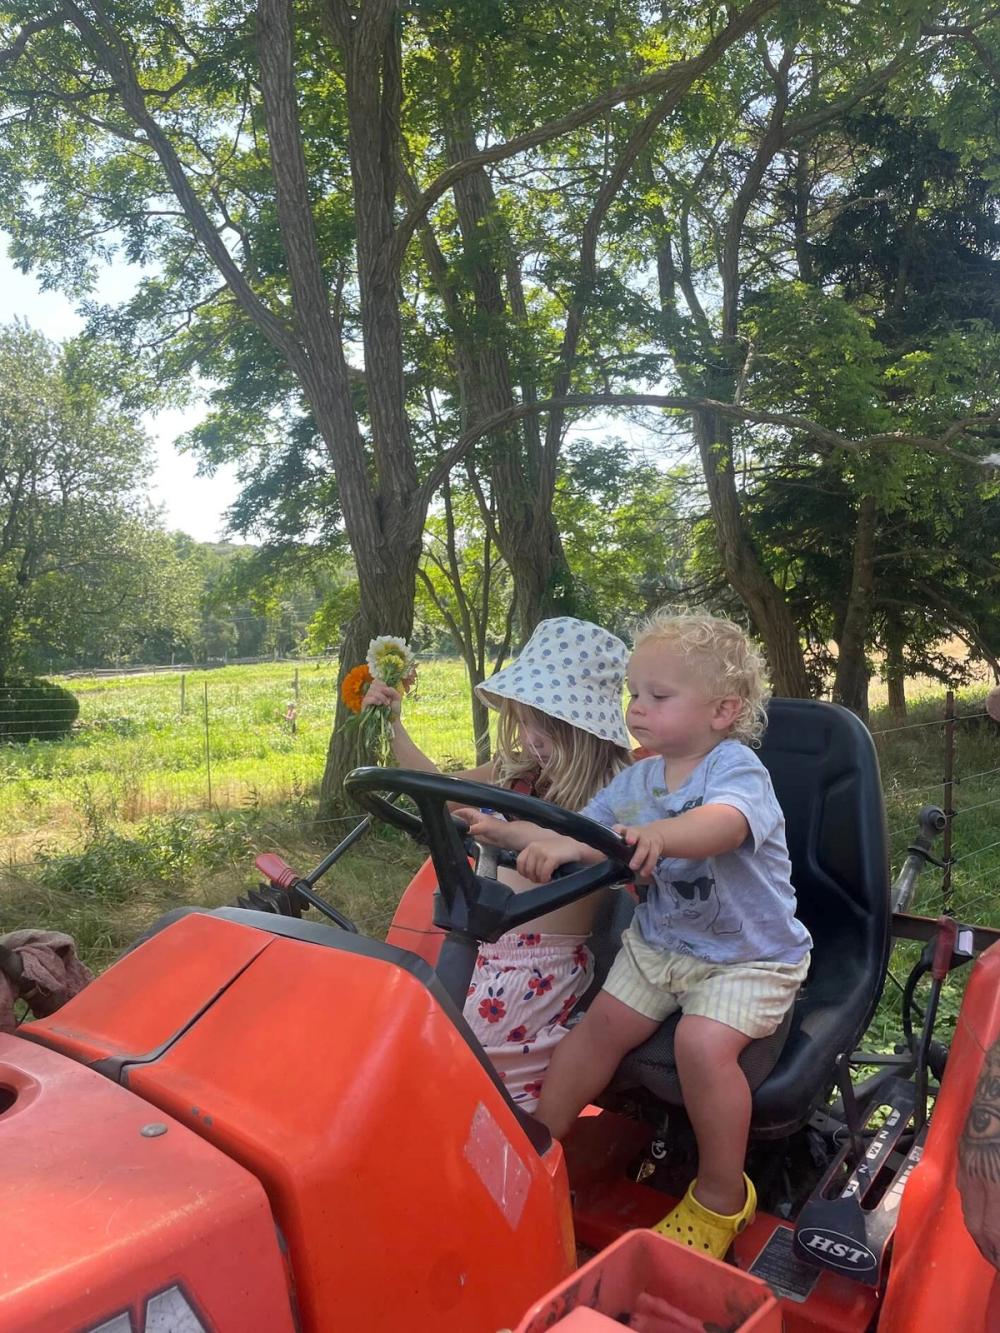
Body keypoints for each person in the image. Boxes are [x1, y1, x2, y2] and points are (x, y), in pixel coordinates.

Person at [517, 609, 812, 1258]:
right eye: (633, 693)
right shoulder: (639, 779)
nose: (636, 708)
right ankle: (536, 1143)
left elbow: (726, 825)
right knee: (597, 1028)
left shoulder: (735, 770)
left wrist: (658, 835)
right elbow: (582, 832)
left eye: (658, 695)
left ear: (722, 710)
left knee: (703, 1046)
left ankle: (720, 1196)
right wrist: (512, 832)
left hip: (745, 957)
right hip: (663, 945)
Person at [362, 617, 633, 1109]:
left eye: (545, 725)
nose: (532, 738)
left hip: (540, 964)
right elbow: (443, 790)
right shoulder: (516, 771)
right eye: (525, 720)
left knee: (473, 1062)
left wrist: (517, 832)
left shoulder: (616, 787)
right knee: (402, 1032)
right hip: (480, 944)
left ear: (582, 725)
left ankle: (502, 1148)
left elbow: (623, 844)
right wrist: (395, 723)